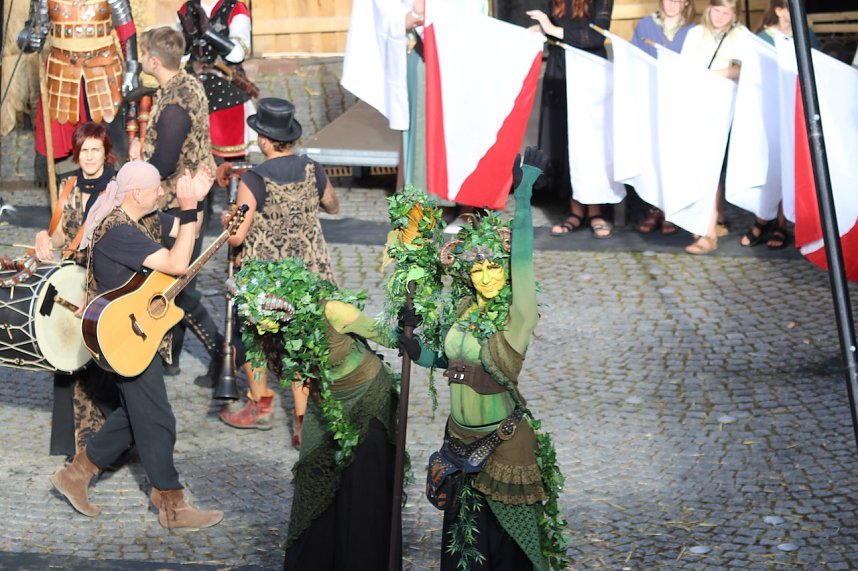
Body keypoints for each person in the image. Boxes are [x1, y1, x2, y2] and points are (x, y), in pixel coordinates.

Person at [399, 149, 567, 570]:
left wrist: (523, 194)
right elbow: (452, 362)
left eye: (496, 268)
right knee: (465, 551)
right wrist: (419, 351)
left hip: (504, 447)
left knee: (508, 549)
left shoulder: (517, 316)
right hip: (457, 445)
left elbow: (523, 257)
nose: (488, 276)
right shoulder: (466, 311)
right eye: (478, 270)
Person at [50, 160, 223, 529]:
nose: (161, 193)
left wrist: (198, 202)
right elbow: (179, 263)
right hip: (122, 337)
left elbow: (185, 232)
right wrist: (189, 207)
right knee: (158, 418)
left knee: (135, 417)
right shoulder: (118, 232)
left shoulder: (144, 218)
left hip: (137, 332)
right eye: (156, 189)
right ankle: (172, 506)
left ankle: (75, 475)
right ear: (137, 194)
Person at [229, 258, 399, 570]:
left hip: (367, 396)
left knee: (362, 485)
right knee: (314, 476)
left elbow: (388, 337)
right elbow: (290, 370)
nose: (263, 325)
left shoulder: (332, 309)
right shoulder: (268, 327)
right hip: (327, 401)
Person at [218, 98, 339, 444]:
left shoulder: (254, 180)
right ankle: (303, 424)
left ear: (265, 140)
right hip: (311, 272)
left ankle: (260, 406)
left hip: (269, 280)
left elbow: (238, 234)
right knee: (302, 344)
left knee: (253, 340)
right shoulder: (312, 169)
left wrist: (229, 220)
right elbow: (332, 204)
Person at [130, 27, 222, 384]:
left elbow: (164, 163)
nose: (140, 60)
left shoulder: (173, 107)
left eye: (143, 55)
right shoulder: (185, 83)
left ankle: (223, 352)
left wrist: (139, 162)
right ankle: (169, 356)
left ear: (154, 61)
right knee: (170, 279)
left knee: (177, 285)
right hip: (190, 195)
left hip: (180, 203)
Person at [31, 122, 121, 458]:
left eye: (96, 149)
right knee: (67, 357)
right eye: (84, 150)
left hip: (102, 286)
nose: (89, 157)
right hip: (70, 286)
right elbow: (56, 238)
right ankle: (75, 444)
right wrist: (43, 237)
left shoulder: (114, 191)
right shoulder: (68, 186)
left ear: (105, 152)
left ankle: (102, 444)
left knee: (98, 366)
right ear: (76, 152)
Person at [17, 0, 140, 181]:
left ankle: (114, 198)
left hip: (104, 74)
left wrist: (132, 69)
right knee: (66, 160)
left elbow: (126, 28)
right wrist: (29, 39)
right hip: (62, 77)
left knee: (113, 148)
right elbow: (35, 30)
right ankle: (72, 202)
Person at [527, 0, 616, 239]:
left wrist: (550, 28)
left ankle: (596, 212)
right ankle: (575, 211)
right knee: (565, 139)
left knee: (591, 142)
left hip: (590, 72)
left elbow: (595, 37)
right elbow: (548, 28)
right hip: (560, 70)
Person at [738, 0, 819, 250]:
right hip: (768, 108)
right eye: (787, 8)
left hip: (795, 107)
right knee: (768, 163)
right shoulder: (763, 37)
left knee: (789, 165)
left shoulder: (807, 36)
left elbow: (815, 68)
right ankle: (762, 219)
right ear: (779, 10)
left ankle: (782, 225)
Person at [679, 0, 745, 254]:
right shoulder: (695, 33)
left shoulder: (739, 36)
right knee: (702, 166)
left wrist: (712, 75)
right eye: (716, 10)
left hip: (724, 106)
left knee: (712, 167)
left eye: (726, 12)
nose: (720, 16)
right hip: (696, 106)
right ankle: (712, 222)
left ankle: (706, 231)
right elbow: (684, 67)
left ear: (734, 14)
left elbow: (742, 68)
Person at [630, 0, 696, 236]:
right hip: (651, 98)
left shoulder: (693, 29)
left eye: (679, 0)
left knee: (675, 156)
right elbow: (633, 58)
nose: (673, 4)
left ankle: (672, 211)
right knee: (653, 155)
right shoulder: (646, 25)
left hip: (678, 101)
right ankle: (654, 208)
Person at [178, 0, 257, 161]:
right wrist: (186, 38)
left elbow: (238, 54)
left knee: (230, 164)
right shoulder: (187, 8)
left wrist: (209, 33)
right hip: (191, 89)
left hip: (226, 90)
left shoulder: (236, 8)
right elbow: (179, 59)